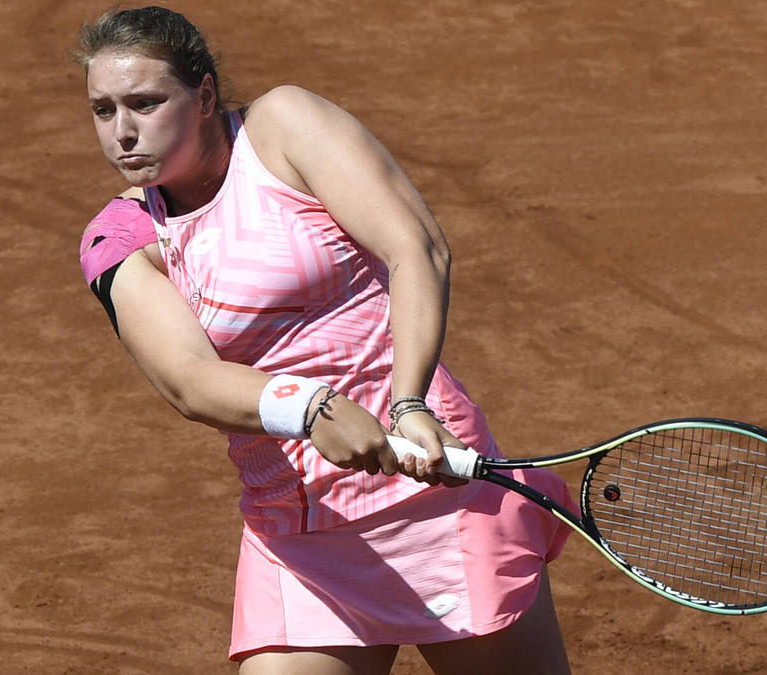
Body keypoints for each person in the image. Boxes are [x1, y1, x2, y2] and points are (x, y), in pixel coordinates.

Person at [73, 7, 577, 674]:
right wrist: (309, 406)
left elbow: (415, 248)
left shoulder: (282, 129)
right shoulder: (121, 238)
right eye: (103, 110)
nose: (123, 132)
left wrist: (408, 404)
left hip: (435, 496)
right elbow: (188, 379)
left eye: (144, 102)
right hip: (299, 537)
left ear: (203, 96)